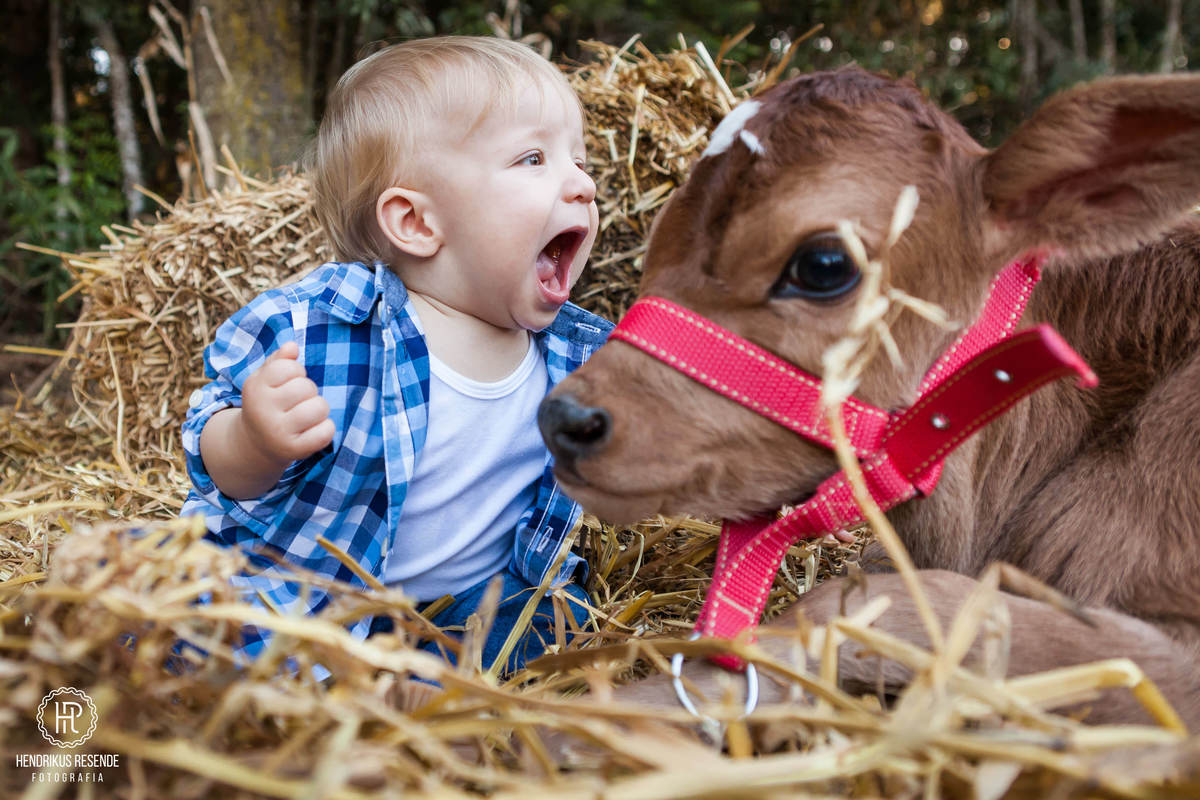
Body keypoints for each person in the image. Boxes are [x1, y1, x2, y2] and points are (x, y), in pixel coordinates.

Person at [180, 36, 611, 679]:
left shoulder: (581, 354)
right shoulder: (326, 325)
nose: (582, 184)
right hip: (314, 601)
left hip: (481, 610)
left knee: (554, 645)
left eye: (579, 160)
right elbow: (211, 453)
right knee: (195, 637)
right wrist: (253, 439)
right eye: (533, 158)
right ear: (414, 222)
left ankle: (421, 705)